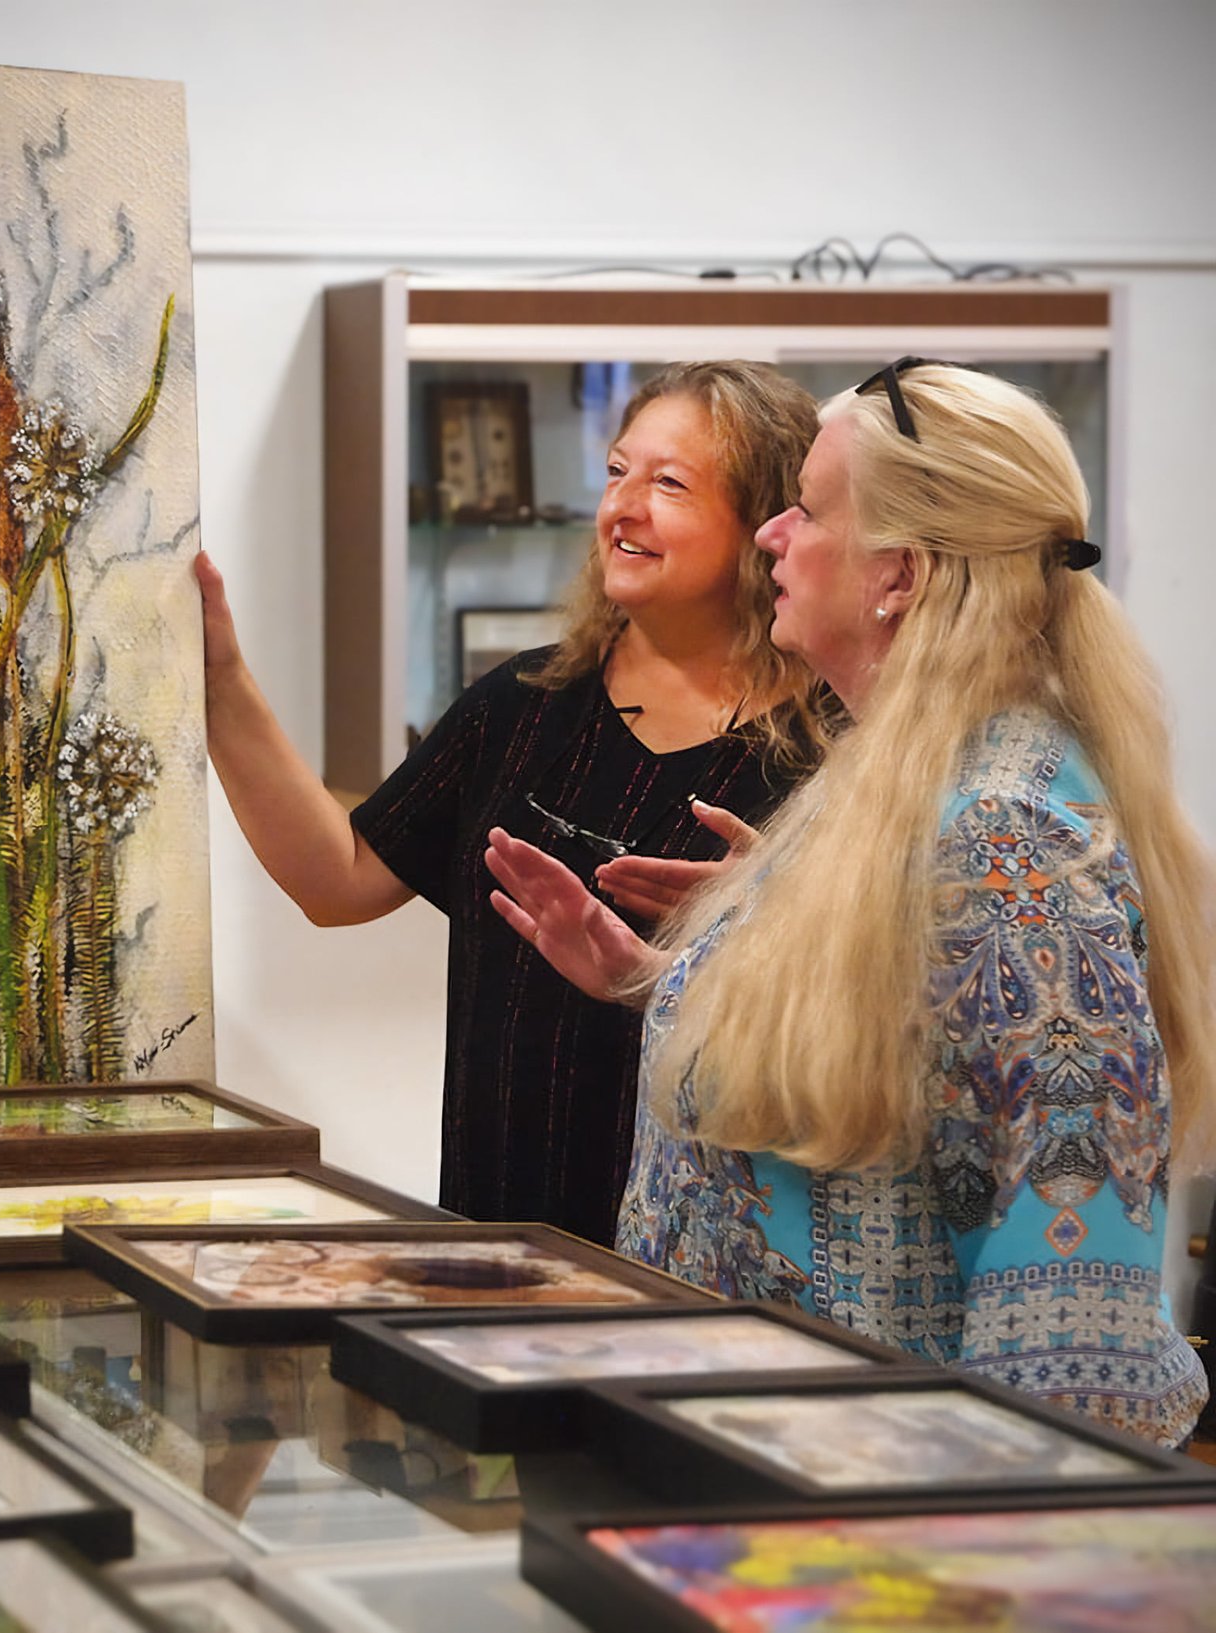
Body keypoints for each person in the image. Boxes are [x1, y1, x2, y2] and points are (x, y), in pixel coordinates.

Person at [485, 359, 1216, 1444]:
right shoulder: (891, 776)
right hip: (763, 1482)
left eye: (808, 509)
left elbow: (1076, 1318)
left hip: (878, 1549)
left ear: (899, 575)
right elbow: (890, 1072)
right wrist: (677, 972)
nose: (773, 535)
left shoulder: (1007, 836)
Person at [197, 361, 829, 1245]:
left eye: (671, 483)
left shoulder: (833, 749)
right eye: (617, 472)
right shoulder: (525, 701)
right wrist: (219, 683)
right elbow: (336, 879)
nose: (624, 507)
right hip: (498, 1232)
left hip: (714, 1253)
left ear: (766, 523)